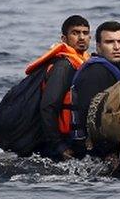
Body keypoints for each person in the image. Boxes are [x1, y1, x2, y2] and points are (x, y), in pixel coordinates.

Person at [30, 15, 91, 160]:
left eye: (85, 33)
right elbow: (48, 107)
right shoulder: (63, 66)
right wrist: (59, 146)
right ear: (64, 39)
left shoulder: (84, 61)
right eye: (75, 33)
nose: (81, 37)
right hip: (60, 143)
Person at [69, 21, 120, 158]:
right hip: (90, 152)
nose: (116, 47)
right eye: (109, 42)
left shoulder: (113, 69)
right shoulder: (95, 72)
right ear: (99, 46)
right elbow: (90, 115)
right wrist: (107, 152)